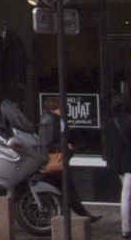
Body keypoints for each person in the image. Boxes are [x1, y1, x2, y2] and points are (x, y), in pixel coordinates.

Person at [36, 95, 97, 223]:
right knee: (67, 188)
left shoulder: (56, 119)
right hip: (56, 161)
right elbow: (48, 143)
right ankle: (79, 215)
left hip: (58, 160)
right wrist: (64, 145)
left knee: (66, 188)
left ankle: (78, 214)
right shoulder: (51, 120)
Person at [101, 96, 131, 240]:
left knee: (128, 194)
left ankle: (127, 227)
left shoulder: (110, 123)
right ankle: (126, 229)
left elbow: (108, 145)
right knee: (127, 196)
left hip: (118, 162)